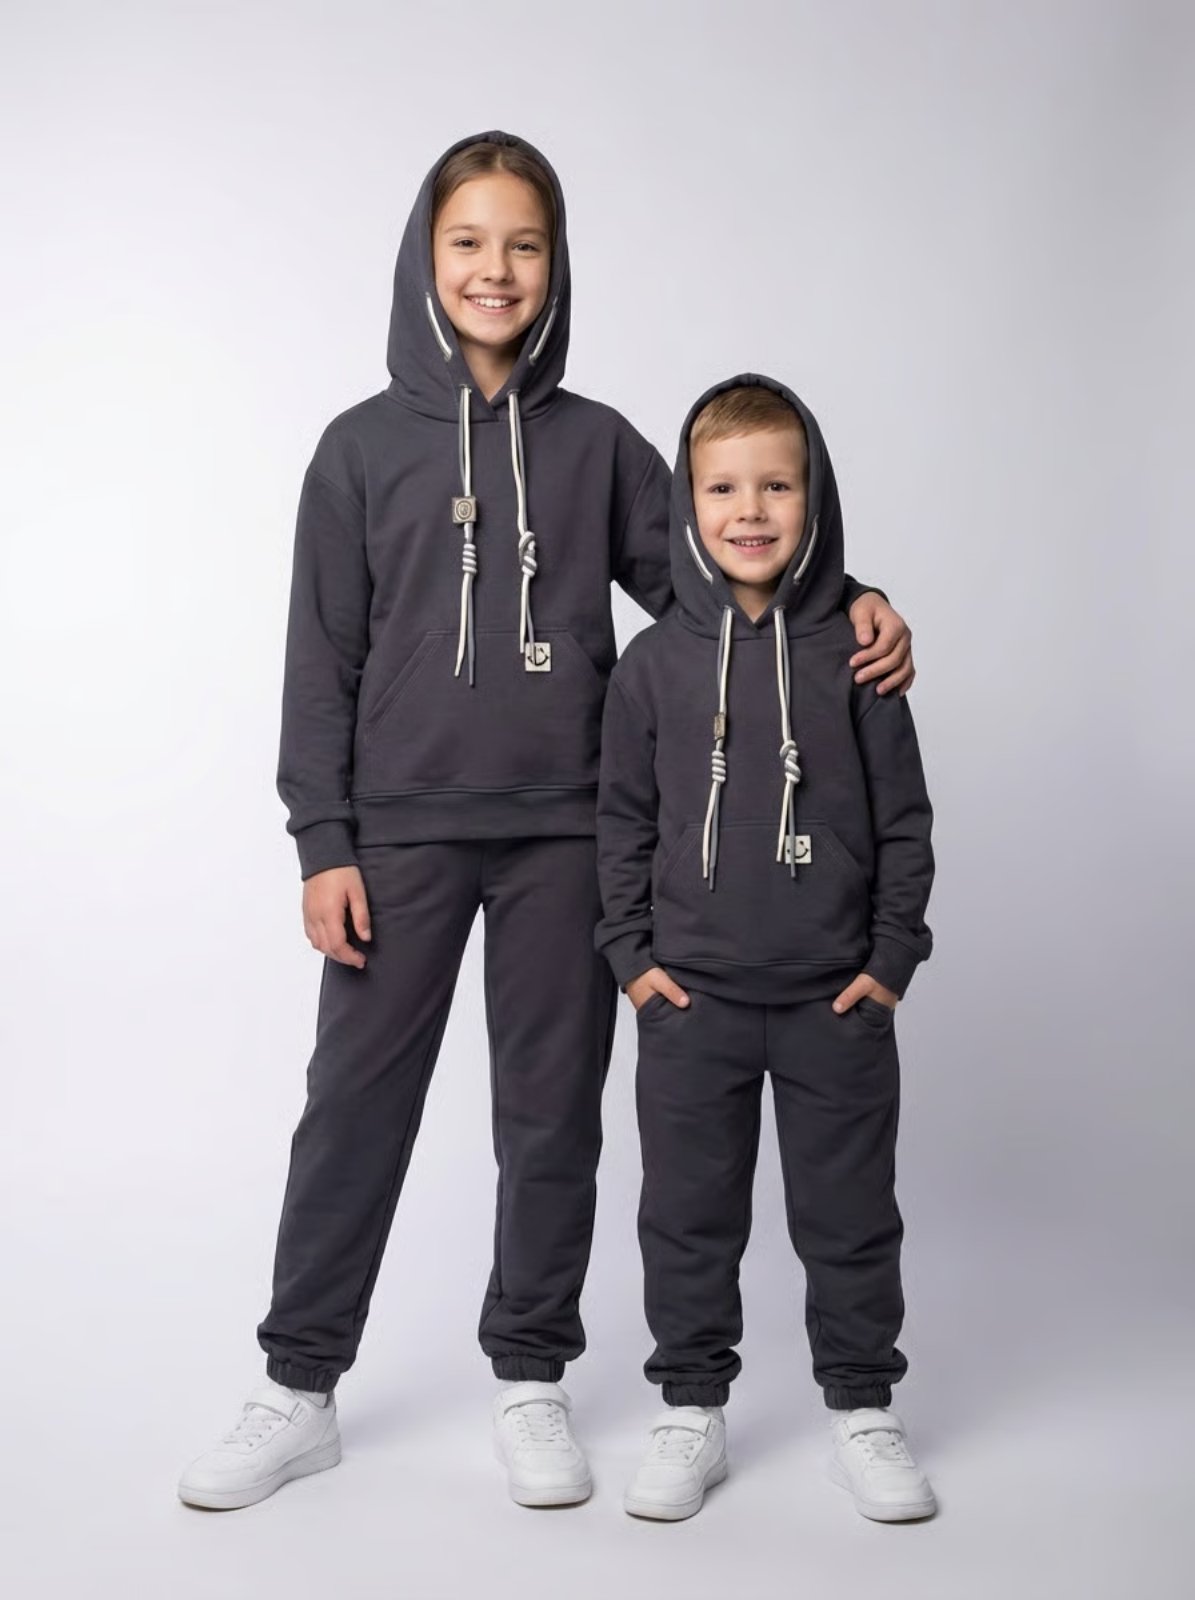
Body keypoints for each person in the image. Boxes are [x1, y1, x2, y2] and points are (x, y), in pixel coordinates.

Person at [178, 136, 915, 1512]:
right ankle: (298, 1387)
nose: (495, 269)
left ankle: (530, 1379)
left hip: (565, 837)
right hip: (397, 834)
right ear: (425, 256)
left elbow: (722, 568)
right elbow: (318, 659)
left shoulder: (597, 447)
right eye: (468, 241)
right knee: (352, 1107)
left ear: (554, 263)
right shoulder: (355, 451)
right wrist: (321, 839)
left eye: (523, 244)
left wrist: (853, 597)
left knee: (549, 1120)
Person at [595, 376, 935, 1523]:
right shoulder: (651, 665)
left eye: (776, 485)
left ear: (813, 495)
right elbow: (620, 823)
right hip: (689, 1003)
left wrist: (889, 962)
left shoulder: (860, 653)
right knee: (686, 1218)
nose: (750, 509)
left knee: (850, 1214)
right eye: (723, 488)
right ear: (687, 504)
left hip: (836, 1003)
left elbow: (903, 822)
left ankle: (863, 1408)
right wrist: (631, 960)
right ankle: (691, 1408)